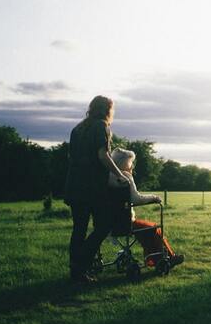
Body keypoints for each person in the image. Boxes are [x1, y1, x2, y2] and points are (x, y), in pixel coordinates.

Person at [64, 96, 130, 284]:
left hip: (74, 185)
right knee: (104, 226)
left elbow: (72, 156)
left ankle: (76, 272)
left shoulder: (78, 128)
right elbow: (103, 155)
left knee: (79, 229)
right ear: (107, 109)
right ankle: (81, 265)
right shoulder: (101, 126)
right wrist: (119, 174)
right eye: (113, 109)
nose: (113, 112)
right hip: (92, 187)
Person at [109, 148, 184, 268]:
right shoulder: (125, 176)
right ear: (122, 163)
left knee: (146, 229)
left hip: (107, 222)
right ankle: (166, 258)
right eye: (130, 162)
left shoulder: (106, 176)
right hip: (124, 222)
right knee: (153, 228)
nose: (132, 165)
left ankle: (158, 258)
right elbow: (136, 199)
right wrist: (154, 198)